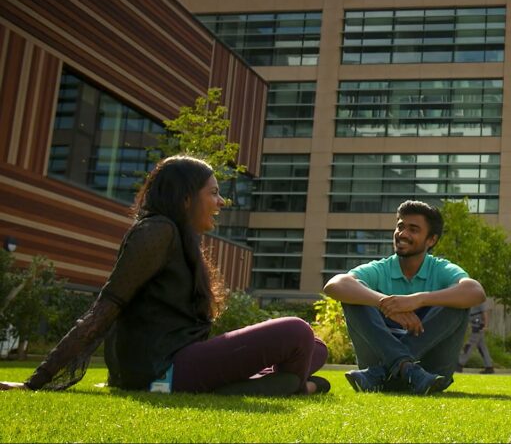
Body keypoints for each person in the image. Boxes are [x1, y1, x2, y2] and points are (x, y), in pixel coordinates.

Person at [0, 155, 328, 396]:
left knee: (316, 348)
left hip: (181, 359)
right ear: (185, 198)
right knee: (296, 332)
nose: (221, 201)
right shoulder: (156, 232)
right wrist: (37, 380)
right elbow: (105, 308)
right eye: (213, 193)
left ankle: (288, 385)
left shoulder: (182, 238)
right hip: (160, 367)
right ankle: (290, 386)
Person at [323, 200, 486, 395]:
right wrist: (385, 303)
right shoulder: (381, 268)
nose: (403, 234)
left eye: (413, 229)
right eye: (400, 226)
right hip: (381, 375)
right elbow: (334, 285)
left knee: (456, 300)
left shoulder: (440, 269)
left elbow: (476, 291)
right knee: (355, 296)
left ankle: (388, 369)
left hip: (429, 376)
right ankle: (407, 369)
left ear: (431, 240)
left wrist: (419, 300)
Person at [457, 301, 494, 374]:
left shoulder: (480, 300)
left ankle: (460, 364)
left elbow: (485, 313)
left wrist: (486, 326)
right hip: (474, 324)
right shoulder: (470, 299)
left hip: (478, 326)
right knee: (482, 348)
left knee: (469, 345)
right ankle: (489, 367)